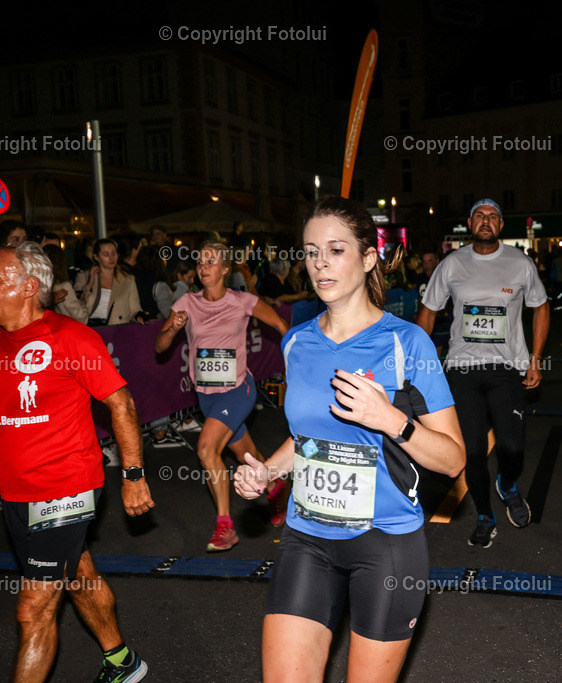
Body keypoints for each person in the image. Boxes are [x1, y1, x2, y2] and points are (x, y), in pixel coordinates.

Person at [233, 195, 464, 681]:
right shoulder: (297, 341)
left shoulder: (407, 343)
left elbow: (452, 460)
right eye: (311, 251)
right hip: (306, 538)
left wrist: (390, 420)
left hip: (385, 545)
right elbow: (304, 438)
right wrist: (267, 472)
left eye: (336, 250)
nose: (320, 263)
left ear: (369, 257)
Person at [0, 242, 153, 682]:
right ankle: (124, 663)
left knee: (34, 608)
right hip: (16, 492)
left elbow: (121, 404)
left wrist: (133, 476)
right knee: (77, 573)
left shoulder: (72, 338)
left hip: (68, 485)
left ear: (29, 287)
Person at [417, 198, 549, 548]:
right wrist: (423, 361)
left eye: (493, 216)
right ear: (469, 223)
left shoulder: (520, 263)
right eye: (480, 216)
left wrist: (535, 358)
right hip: (462, 368)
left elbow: (541, 307)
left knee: (511, 446)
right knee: (472, 451)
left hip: (506, 368)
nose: (486, 221)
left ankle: (507, 482)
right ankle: (485, 515)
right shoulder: (452, 263)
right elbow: (428, 312)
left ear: (502, 225)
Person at [155, 241, 290, 550]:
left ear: (226, 269)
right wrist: (172, 329)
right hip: (207, 397)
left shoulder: (243, 301)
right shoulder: (186, 303)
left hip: (238, 390)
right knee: (248, 457)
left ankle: (225, 527)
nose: (203, 267)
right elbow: (160, 348)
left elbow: (281, 325)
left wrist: (300, 362)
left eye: (211, 261)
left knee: (205, 449)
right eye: (200, 261)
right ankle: (276, 487)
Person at [74, 238, 146, 327]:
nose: (111, 258)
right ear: (96, 257)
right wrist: (89, 284)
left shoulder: (128, 279)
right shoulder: (83, 277)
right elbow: (76, 306)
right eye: (106, 254)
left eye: (114, 253)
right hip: (91, 330)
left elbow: (134, 309)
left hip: (117, 331)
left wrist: (139, 316)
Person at [43, 244, 88, 323]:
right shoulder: (63, 286)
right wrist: (83, 303)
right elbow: (82, 317)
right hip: (65, 331)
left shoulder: (40, 286)